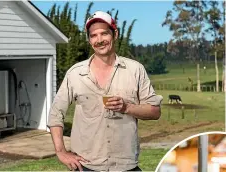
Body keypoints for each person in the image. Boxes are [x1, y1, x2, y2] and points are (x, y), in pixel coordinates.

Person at [47, 11, 163, 171]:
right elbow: (55, 113)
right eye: (93, 35)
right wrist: (61, 151)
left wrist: (126, 107)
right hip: (86, 166)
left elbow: (155, 112)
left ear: (115, 34)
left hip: (126, 166)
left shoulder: (135, 70)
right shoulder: (75, 74)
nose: (99, 40)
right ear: (89, 40)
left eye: (104, 33)